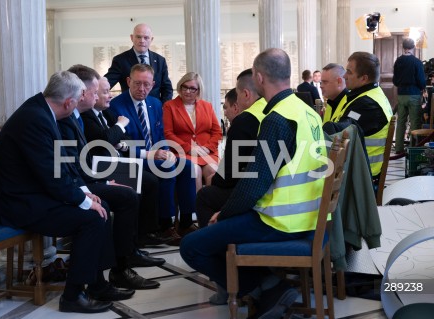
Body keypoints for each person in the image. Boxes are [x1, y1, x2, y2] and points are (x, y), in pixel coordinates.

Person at [180, 48, 326, 318]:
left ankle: (264, 288)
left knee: (191, 246)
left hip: (282, 221)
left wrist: (224, 213)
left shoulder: (278, 118)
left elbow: (254, 183)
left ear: (259, 78)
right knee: (222, 228)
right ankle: (270, 284)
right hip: (313, 216)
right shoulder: (308, 112)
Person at [0, 71, 129, 314]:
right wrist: (82, 201)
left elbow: (61, 166)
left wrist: (84, 193)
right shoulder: (36, 119)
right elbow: (51, 175)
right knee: (92, 218)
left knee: (99, 205)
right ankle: (72, 296)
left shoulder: (40, 110)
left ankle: (97, 284)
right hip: (19, 203)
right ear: (69, 102)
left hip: (35, 194)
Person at [58, 65, 163, 290]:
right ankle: (121, 264)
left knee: (147, 181)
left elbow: (109, 142)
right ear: (82, 94)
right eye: (100, 92)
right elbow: (100, 144)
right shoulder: (78, 117)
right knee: (128, 194)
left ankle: (132, 248)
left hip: (103, 167)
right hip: (97, 171)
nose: (105, 97)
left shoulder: (92, 113)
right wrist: (102, 182)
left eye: (103, 92)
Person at [109, 63, 197, 245]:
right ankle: (165, 225)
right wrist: (151, 154)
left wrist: (166, 151)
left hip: (156, 156)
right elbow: (120, 144)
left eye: (147, 84)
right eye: (137, 83)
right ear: (128, 81)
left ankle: (186, 223)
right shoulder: (116, 106)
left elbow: (160, 134)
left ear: (153, 84)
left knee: (188, 167)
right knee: (166, 167)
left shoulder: (155, 104)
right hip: (131, 159)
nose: (142, 89)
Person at [81, 77, 169, 248]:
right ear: (93, 94)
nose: (110, 96)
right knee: (139, 185)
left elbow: (123, 138)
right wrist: (120, 125)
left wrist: (120, 141)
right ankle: (130, 242)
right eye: (105, 92)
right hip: (100, 167)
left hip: (116, 162)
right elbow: (106, 138)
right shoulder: (86, 116)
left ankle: (145, 233)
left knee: (150, 181)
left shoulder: (104, 112)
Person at [196, 69, 266, 229]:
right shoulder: (271, 111)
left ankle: (213, 247)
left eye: (238, 94)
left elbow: (231, 173)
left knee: (205, 195)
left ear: (246, 94)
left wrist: (214, 180)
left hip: (255, 193)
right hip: (272, 187)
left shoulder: (244, 121)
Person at [327, 51, 392, 179]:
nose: (344, 76)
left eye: (349, 72)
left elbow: (342, 131)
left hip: (361, 176)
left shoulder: (368, 104)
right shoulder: (368, 95)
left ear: (364, 78)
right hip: (355, 167)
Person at [163, 72, 223, 192]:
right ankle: (196, 208)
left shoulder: (207, 106)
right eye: (185, 87)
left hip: (206, 152)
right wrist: (188, 148)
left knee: (213, 171)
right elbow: (168, 133)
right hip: (184, 152)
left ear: (199, 90)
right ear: (180, 87)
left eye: (192, 88)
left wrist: (207, 148)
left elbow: (217, 132)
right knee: (194, 171)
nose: (187, 91)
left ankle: (212, 206)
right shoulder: (170, 106)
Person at [104, 23, 173, 103]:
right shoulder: (120, 60)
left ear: (151, 39)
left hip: (154, 110)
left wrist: (163, 108)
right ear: (132, 38)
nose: (142, 41)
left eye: (146, 37)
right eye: (138, 37)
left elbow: (167, 88)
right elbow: (106, 84)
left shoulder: (160, 60)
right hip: (129, 108)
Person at [393, 38, 426, 153]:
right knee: (415, 122)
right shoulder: (417, 62)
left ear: (403, 47)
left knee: (401, 121)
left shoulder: (398, 61)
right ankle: (413, 148)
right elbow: (421, 81)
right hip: (414, 95)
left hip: (401, 95)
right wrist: (422, 87)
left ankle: (398, 148)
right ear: (413, 47)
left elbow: (395, 81)